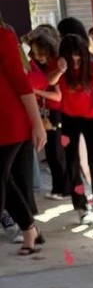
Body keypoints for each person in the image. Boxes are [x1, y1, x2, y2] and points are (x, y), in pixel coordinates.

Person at [52, 34, 93, 224]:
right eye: (71, 56)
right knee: (72, 163)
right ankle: (81, 206)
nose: (75, 60)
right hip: (68, 119)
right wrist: (60, 70)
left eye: (78, 55)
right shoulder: (60, 68)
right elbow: (50, 82)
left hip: (91, 119)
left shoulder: (92, 68)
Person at [0, 23, 47, 254]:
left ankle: (29, 229)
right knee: (5, 182)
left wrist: (37, 123)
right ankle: (30, 230)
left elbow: (20, 79)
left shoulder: (4, 35)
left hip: (8, 122)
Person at [26, 28, 68, 199]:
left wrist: (35, 91)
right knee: (51, 154)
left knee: (56, 154)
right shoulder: (44, 66)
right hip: (47, 112)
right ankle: (58, 189)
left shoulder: (55, 65)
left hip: (55, 112)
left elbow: (57, 95)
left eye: (41, 53)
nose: (39, 57)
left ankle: (63, 189)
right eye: (36, 54)